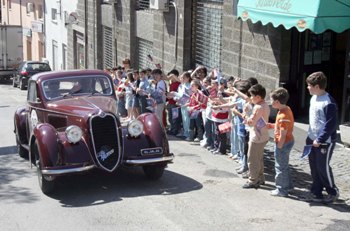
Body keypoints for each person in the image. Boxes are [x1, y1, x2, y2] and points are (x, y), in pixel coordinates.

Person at [305, 71, 339, 203]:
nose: (307, 88)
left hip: (324, 142)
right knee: (314, 166)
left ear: (317, 86)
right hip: (311, 138)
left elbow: (330, 125)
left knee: (322, 166)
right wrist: (311, 137)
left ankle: (332, 191)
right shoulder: (313, 98)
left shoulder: (328, 102)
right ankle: (316, 191)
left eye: (309, 85)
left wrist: (320, 139)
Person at [267, 87, 294, 197]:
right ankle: (288, 185)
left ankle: (281, 189)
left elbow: (283, 133)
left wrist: (279, 146)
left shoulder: (283, 115)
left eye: (271, 100)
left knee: (280, 166)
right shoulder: (285, 109)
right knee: (284, 165)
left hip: (283, 143)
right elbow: (281, 127)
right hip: (287, 140)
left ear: (277, 102)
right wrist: (272, 125)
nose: (270, 102)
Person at [242, 84, 270, 189]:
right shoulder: (265, 105)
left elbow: (251, 122)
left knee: (252, 159)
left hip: (256, 137)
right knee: (259, 158)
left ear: (258, 97)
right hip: (263, 136)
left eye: (252, 96)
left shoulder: (258, 107)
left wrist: (244, 114)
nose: (251, 98)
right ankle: (260, 178)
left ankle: (253, 180)